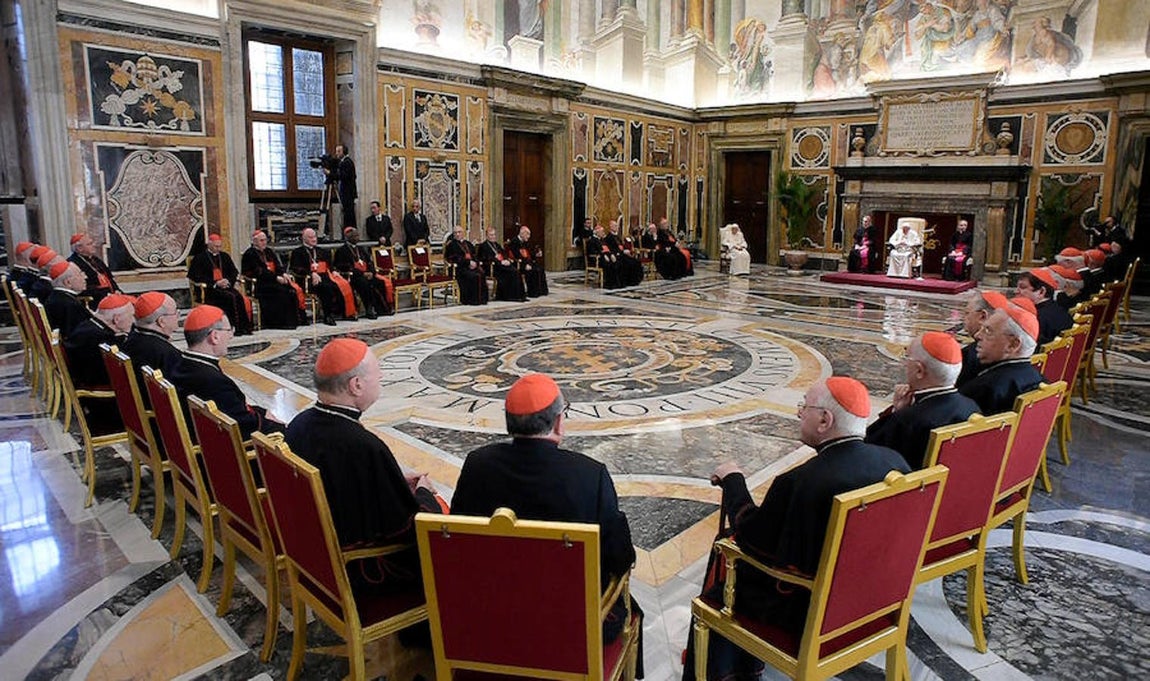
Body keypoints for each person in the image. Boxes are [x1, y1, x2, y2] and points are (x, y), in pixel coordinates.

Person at [683, 377, 910, 680]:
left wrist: (734, 479)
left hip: (807, 612)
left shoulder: (800, 482)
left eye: (805, 406)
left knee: (726, 552)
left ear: (825, 420)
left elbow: (751, 535)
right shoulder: (897, 463)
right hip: (876, 599)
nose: (798, 412)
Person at [451, 373, 640, 657]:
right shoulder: (590, 475)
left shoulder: (477, 465)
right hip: (570, 628)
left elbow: (458, 541)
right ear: (559, 422)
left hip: (491, 618)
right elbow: (621, 557)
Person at [286, 338, 445, 601]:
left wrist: (391, 480)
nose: (381, 378)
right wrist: (425, 495)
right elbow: (408, 529)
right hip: (363, 573)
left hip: (314, 556)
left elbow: (344, 483)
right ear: (356, 385)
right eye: (377, 375)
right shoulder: (363, 446)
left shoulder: (299, 424)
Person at [167, 305, 285, 439]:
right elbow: (242, 424)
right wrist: (278, 426)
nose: (231, 335)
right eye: (229, 330)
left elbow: (232, 409)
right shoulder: (212, 380)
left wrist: (262, 412)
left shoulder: (183, 364)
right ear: (215, 336)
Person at [866, 332, 981, 469]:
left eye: (906, 357)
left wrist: (896, 413)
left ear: (919, 370)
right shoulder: (971, 406)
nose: (904, 364)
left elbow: (868, 450)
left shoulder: (908, 420)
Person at [959, 303, 1044, 415]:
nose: (978, 335)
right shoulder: (1038, 378)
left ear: (1012, 345)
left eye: (988, 331)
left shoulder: (985, 389)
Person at [63, 293, 133, 390]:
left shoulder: (88, 325)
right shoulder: (101, 338)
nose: (133, 320)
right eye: (131, 316)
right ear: (116, 319)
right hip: (92, 386)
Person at [187, 234, 254, 336]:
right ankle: (231, 327)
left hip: (226, 286)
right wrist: (215, 283)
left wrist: (227, 281)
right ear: (209, 245)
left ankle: (244, 328)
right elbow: (195, 276)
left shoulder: (224, 256)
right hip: (210, 290)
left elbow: (234, 272)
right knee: (229, 298)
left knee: (238, 297)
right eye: (215, 246)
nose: (218, 249)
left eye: (219, 246)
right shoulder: (200, 258)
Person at [122, 292, 183, 398]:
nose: (178, 315)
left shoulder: (132, 337)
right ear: (161, 321)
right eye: (175, 312)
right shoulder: (166, 353)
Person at [241, 230, 303, 329]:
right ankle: (277, 323)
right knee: (282, 293)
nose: (264, 242)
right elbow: (258, 272)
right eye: (261, 240)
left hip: (274, 281)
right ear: (255, 241)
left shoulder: (269, 251)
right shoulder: (249, 254)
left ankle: (292, 322)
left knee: (290, 290)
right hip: (261, 284)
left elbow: (278, 265)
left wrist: (283, 274)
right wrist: (275, 277)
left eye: (265, 240)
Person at [289, 228, 350, 326]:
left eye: (314, 236)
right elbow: (296, 269)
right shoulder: (298, 252)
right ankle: (327, 315)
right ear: (304, 239)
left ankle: (343, 312)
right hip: (307, 280)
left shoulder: (322, 251)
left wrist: (334, 271)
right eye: (310, 237)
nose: (314, 239)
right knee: (326, 288)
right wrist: (310, 273)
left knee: (338, 286)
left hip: (324, 277)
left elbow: (329, 266)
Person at [334, 227, 392, 318]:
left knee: (380, 283)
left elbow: (370, 262)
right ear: (348, 237)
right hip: (353, 277)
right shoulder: (342, 251)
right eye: (355, 236)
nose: (357, 238)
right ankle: (369, 309)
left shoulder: (361, 249)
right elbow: (343, 267)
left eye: (357, 235)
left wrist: (371, 272)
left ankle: (382, 309)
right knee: (365, 284)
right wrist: (362, 274)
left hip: (367, 274)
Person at [956, 290, 1008, 388]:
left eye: (967, 313)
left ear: (983, 316)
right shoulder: (1006, 349)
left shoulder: (971, 354)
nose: (964, 318)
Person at [1016, 268, 1073, 346]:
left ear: (1041, 292)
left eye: (1023, 287)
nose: (1016, 291)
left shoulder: (1036, 318)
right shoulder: (1058, 309)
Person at [67, 232, 120, 306]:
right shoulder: (72, 263)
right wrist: (105, 293)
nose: (94, 245)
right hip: (94, 300)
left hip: (110, 296)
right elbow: (80, 287)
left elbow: (109, 278)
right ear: (79, 248)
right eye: (89, 244)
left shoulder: (95, 259)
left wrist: (116, 290)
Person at [44, 261, 92, 338]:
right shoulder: (70, 305)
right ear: (68, 282)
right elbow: (82, 335)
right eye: (80, 274)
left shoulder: (57, 297)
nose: (85, 277)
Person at [477, 227, 526, 302]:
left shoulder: (497, 245)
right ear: (487, 236)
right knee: (511, 273)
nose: (493, 237)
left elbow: (504, 253)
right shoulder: (483, 246)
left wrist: (506, 260)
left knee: (516, 271)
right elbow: (485, 259)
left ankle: (519, 295)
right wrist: (498, 261)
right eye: (491, 235)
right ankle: (509, 296)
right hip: (493, 267)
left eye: (494, 235)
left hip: (502, 265)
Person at [444, 226, 488, 305]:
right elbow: (453, 258)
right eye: (455, 233)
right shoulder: (451, 245)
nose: (457, 234)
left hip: (471, 266)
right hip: (459, 268)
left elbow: (474, 255)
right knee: (473, 276)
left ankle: (482, 299)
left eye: (459, 232)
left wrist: (475, 263)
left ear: (463, 233)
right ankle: (471, 300)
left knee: (481, 274)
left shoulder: (468, 244)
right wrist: (468, 263)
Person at [508, 225, 548, 297]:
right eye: (528, 234)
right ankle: (533, 292)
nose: (529, 236)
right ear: (522, 233)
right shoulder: (514, 242)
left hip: (527, 263)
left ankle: (541, 291)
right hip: (518, 264)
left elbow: (529, 253)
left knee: (540, 269)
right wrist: (525, 265)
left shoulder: (525, 242)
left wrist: (536, 254)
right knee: (534, 271)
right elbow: (516, 256)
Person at [605, 220, 644, 286]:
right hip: (616, 256)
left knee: (636, 261)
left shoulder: (618, 236)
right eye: (615, 226)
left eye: (617, 226)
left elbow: (622, 246)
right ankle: (626, 282)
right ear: (610, 226)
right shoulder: (608, 237)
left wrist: (625, 251)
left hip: (622, 254)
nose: (616, 227)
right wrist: (622, 252)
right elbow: (611, 249)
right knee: (628, 263)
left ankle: (634, 281)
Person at [335, 144, 357, 229]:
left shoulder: (347, 162)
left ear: (344, 152)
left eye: (339, 151)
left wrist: (331, 174)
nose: (337, 153)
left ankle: (350, 232)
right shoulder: (343, 162)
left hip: (348, 193)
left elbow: (344, 176)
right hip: (346, 193)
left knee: (349, 215)